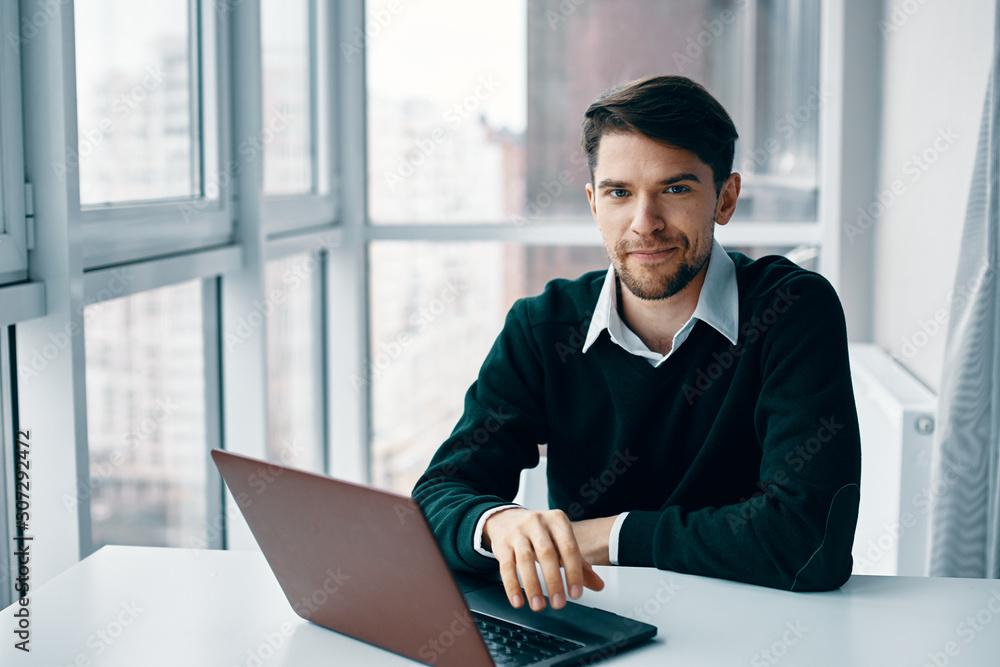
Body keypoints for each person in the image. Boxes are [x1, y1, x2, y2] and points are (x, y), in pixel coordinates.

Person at [412, 75, 861, 613]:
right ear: (594, 204)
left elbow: (807, 542)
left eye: (675, 188)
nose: (644, 224)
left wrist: (598, 537)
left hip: (757, 627)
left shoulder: (791, 311)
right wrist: (500, 524)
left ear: (725, 197)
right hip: (597, 624)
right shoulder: (542, 329)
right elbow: (438, 497)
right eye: (619, 192)